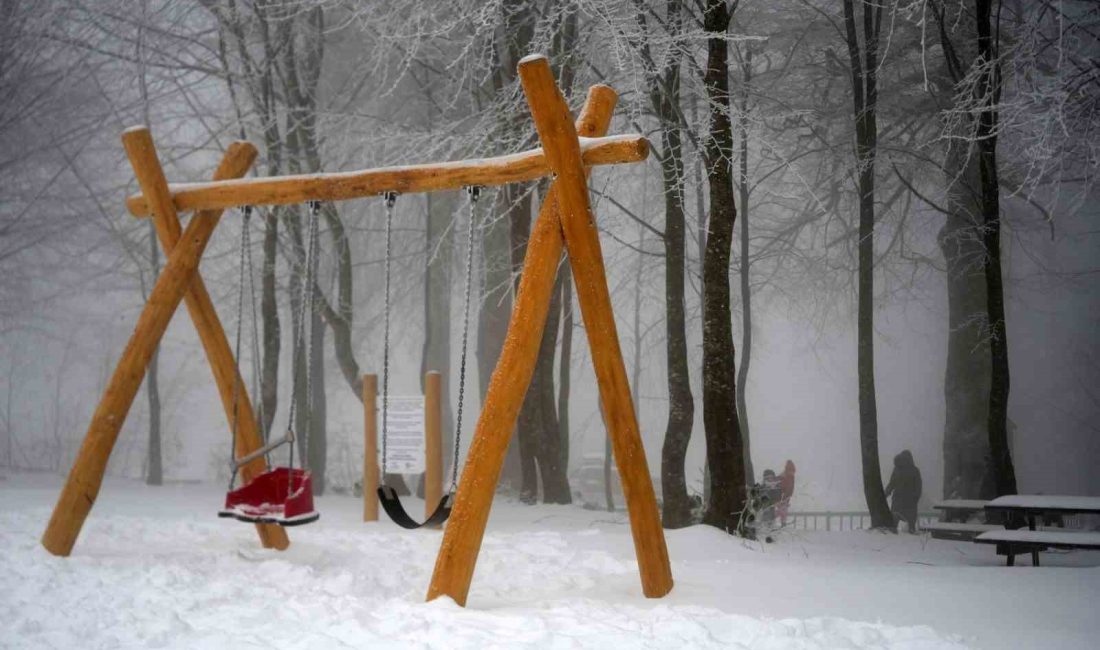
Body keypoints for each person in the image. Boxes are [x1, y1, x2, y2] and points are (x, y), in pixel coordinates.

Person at [884, 450, 922, 533]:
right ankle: (911, 533)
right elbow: (918, 488)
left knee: (893, 526)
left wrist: (885, 495)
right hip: (910, 503)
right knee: (911, 526)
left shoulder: (897, 469)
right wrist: (915, 499)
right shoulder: (915, 470)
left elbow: (891, 484)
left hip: (897, 502)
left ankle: (892, 537)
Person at [778, 460, 796, 526]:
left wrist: (787, 495)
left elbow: (790, 487)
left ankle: (783, 522)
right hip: (784, 494)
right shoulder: (788, 475)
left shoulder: (789, 475)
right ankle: (783, 522)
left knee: (783, 508)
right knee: (783, 508)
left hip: (785, 494)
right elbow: (789, 486)